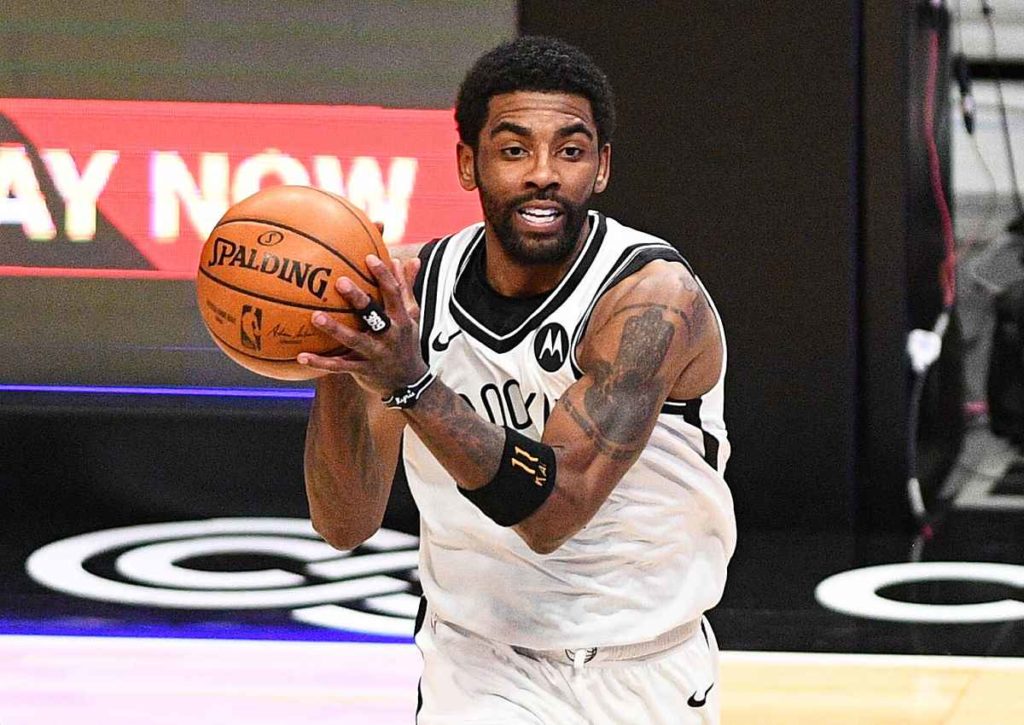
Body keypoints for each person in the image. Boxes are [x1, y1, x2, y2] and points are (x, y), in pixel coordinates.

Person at [300, 36, 736, 725]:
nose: (543, 174)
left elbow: (554, 511)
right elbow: (345, 524)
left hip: (642, 667)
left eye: (570, 151)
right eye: (513, 150)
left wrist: (410, 382)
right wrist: (341, 351)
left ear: (601, 167)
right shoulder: (409, 296)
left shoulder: (652, 301)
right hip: (479, 666)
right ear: (467, 164)